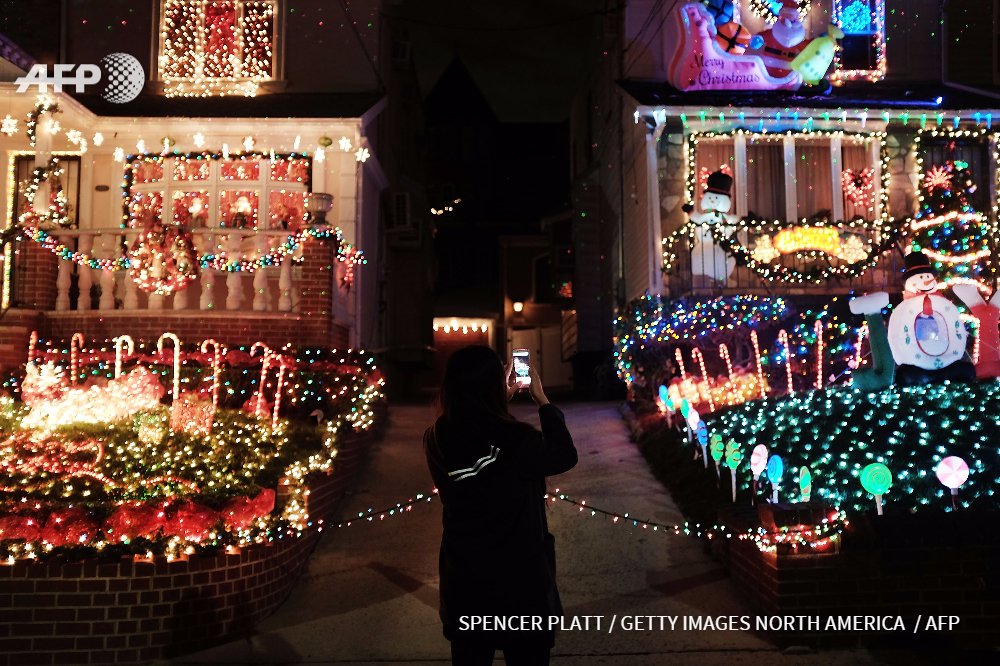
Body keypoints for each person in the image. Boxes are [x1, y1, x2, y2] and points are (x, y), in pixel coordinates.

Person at [424, 346, 578, 666]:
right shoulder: (517, 440)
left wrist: (497, 405)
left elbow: (478, 441)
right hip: (521, 589)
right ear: (494, 385)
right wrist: (542, 399)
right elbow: (564, 454)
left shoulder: (436, 438)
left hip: (465, 586)